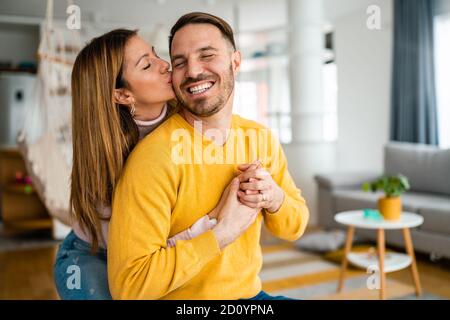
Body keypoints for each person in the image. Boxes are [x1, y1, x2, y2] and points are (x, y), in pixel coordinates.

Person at [108, 12, 310, 300]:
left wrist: (274, 197)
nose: (192, 71)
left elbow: (296, 226)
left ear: (235, 62)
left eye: (207, 55)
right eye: (179, 62)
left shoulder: (260, 138)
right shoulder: (153, 158)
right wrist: (222, 233)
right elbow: (129, 286)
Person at [53, 29, 250, 299]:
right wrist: (216, 223)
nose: (164, 64)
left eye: (156, 54)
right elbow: (141, 260)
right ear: (122, 95)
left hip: (164, 248)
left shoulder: (186, 120)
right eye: (147, 64)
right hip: (95, 252)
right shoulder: (112, 157)